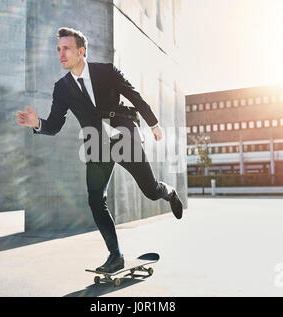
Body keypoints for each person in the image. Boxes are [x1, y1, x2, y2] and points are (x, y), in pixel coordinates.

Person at [17, 27, 183, 273]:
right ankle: (115, 256)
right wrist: (38, 124)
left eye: (67, 49)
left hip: (124, 136)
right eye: (59, 49)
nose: (61, 54)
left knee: (150, 190)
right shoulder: (62, 88)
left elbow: (134, 95)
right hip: (97, 145)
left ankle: (168, 192)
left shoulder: (106, 71)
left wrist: (154, 124)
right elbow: (55, 124)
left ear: (81, 51)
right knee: (96, 200)